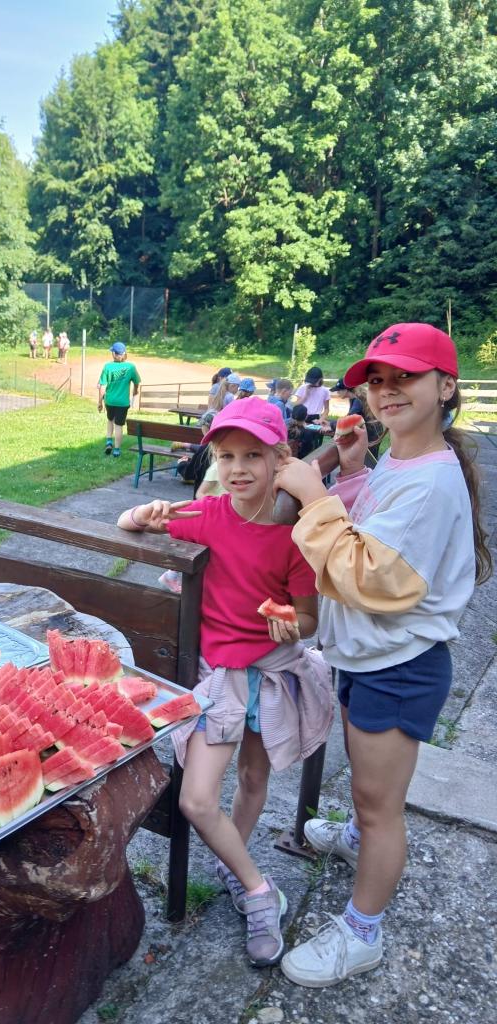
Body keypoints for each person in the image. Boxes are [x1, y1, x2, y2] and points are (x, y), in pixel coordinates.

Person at [274, 323, 492, 988]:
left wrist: (314, 496)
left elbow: (371, 575)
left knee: (379, 805)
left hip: (399, 665)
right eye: (377, 380)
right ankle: (359, 838)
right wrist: (352, 471)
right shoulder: (404, 458)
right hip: (370, 655)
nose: (387, 389)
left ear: (445, 387)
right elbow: (376, 525)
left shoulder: (432, 483)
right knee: (370, 791)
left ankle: (361, 931)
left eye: (405, 376)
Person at [117, 397, 332, 967]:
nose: (238, 468)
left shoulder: (297, 536)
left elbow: (309, 619)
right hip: (221, 681)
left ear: (281, 459)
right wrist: (142, 513)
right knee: (196, 799)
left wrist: (290, 625)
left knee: (255, 778)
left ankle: (232, 865)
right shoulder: (209, 514)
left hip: (274, 675)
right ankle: (260, 891)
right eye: (227, 455)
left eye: (252, 456)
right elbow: (127, 523)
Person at [97, 342, 141, 457]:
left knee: (110, 420)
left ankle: (109, 441)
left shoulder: (107, 366)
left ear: (114, 354)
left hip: (110, 401)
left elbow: (102, 386)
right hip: (123, 403)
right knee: (119, 425)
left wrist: (100, 402)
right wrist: (135, 390)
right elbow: (137, 382)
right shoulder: (130, 367)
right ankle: (116, 450)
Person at [329, 377, 383, 463]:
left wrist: (330, 425)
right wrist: (331, 423)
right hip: (375, 432)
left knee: (369, 462)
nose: (337, 392)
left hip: (371, 434)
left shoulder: (357, 400)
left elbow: (348, 421)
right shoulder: (355, 398)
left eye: (339, 390)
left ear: (346, 390)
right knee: (371, 461)